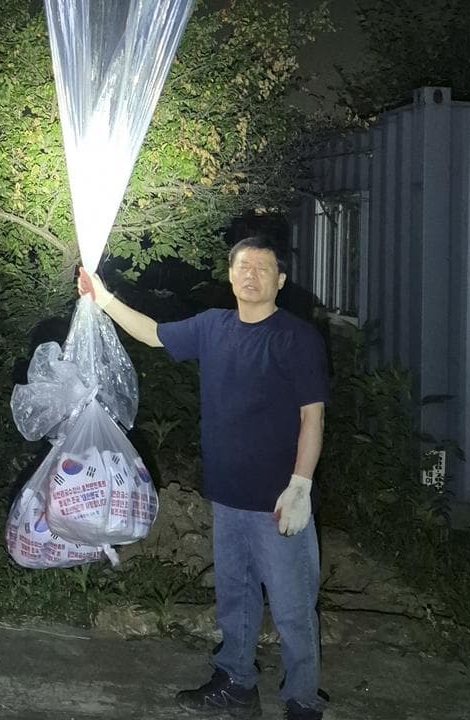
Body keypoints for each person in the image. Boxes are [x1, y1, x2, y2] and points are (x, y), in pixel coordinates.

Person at [78, 236, 329, 720]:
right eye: (242, 266)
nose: (250, 274)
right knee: (234, 598)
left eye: (262, 267)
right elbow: (153, 333)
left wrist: (301, 486)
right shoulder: (213, 327)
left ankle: (301, 698)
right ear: (230, 276)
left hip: (278, 499)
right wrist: (103, 298)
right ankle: (236, 682)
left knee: (294, 606)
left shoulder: (296, 338)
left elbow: (311, 417)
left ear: (279, 281)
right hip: (227, 494)